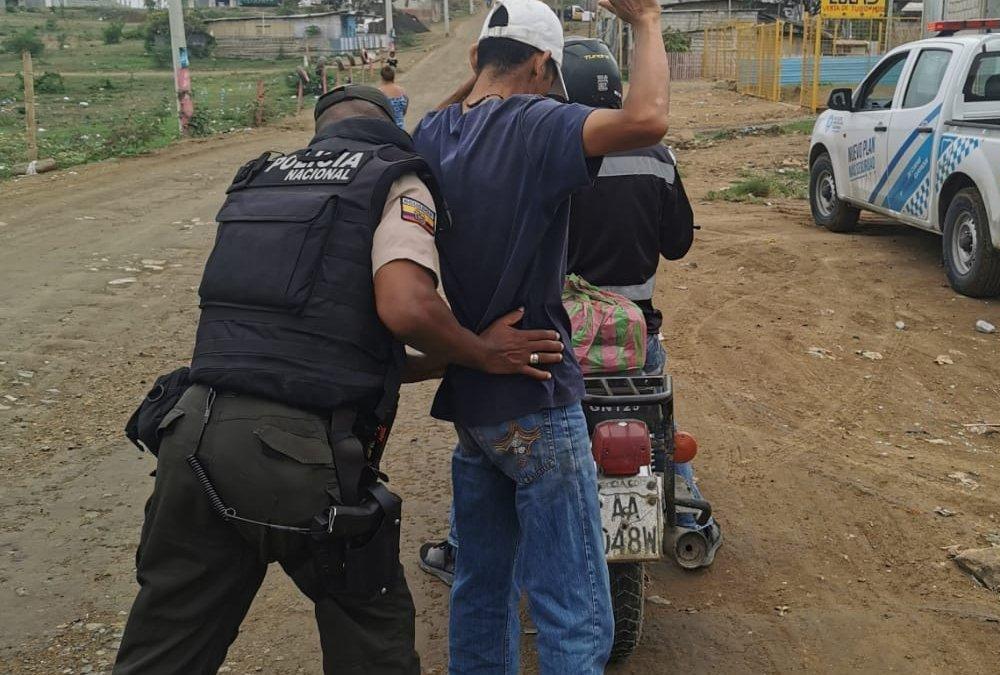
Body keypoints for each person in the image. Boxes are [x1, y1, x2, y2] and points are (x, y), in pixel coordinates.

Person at [112, 85, 566, 675]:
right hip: (301, 459)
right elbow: (406, 306)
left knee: (164, 649)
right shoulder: (392, 179)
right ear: (390, 124)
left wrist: (446, 360)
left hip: (192, 436)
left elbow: (321, 351)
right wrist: (480, 352)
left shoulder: (261, 178)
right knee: (370, 640)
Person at [410, 0, 670, 670]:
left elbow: (434, 113)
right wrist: (645, 21)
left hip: (475, 403)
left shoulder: (437, 133)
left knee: (481, 588)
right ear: (540, 65)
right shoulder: (537, 123)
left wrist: (480, 73)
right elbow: (646, 119)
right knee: (573, 610)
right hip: (537, 403)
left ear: (476, 60)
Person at [419, 36, 722, 590]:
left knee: (493, 473)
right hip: (633, 335)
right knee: (661, 418)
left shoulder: (535, 147)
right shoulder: (654, 158)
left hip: (557, 342)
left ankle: (462, 547)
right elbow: (678, 244)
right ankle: (687, 506)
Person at [378, 64, 410, 130]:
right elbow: (404, 112)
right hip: (400, 130)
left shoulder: (379, 93)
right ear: (393, 76)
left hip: (386, 129)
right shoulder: (402, 91)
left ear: (382, 77)